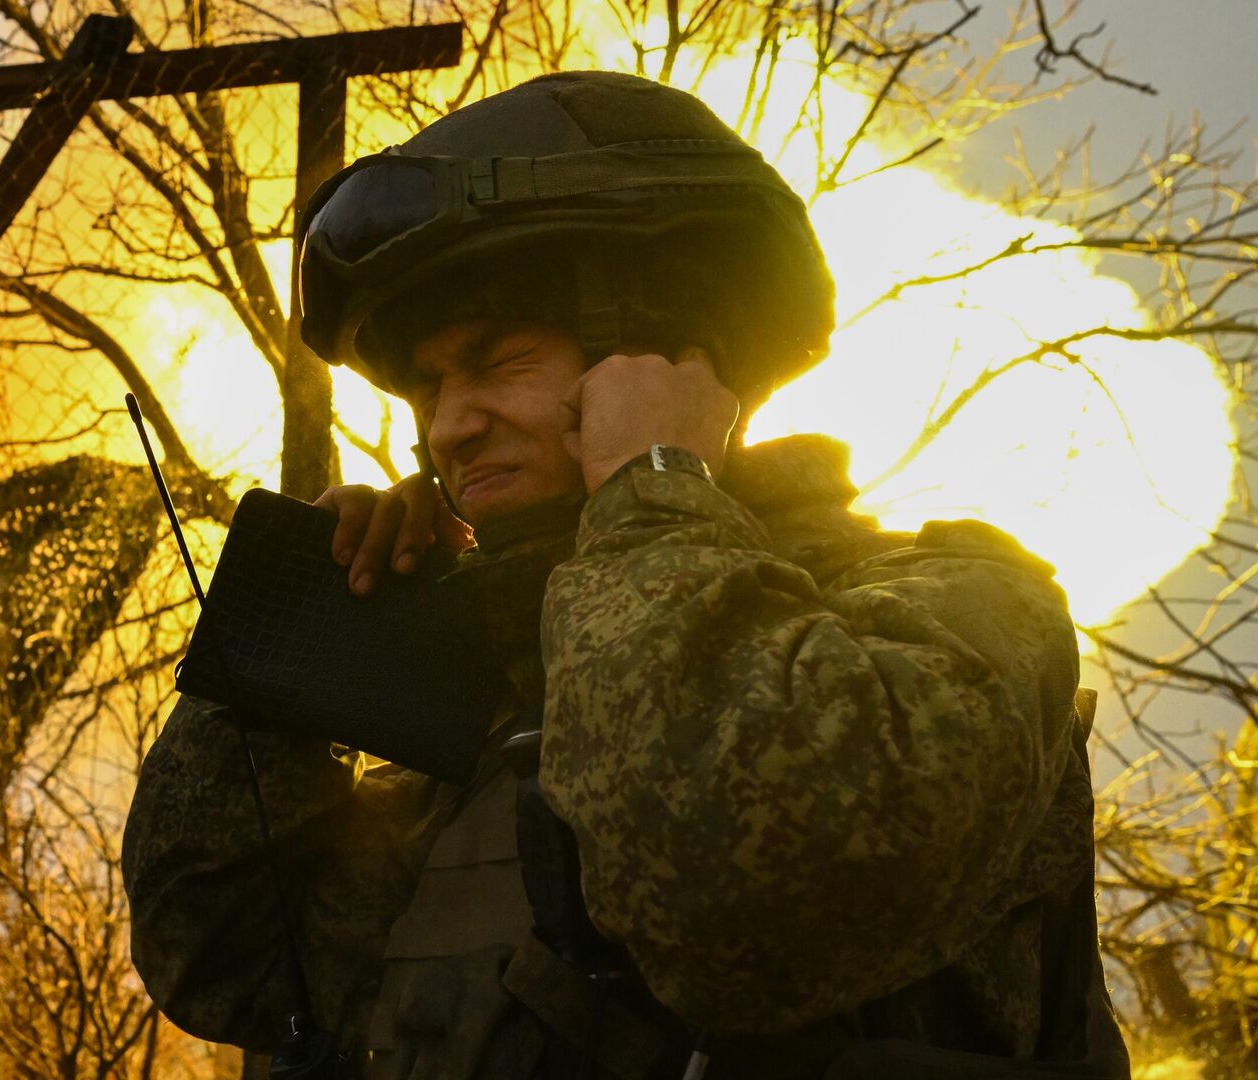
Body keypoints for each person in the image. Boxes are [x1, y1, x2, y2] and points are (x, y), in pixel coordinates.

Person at [123, 71, 1129, 1079]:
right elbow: (221, 965)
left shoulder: (956, 617)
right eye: (429, 388)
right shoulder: (490, 736)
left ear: (655, 353)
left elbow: (741, 898)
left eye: (497, 362)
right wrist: (294, 659)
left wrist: (648, 484)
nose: (449, 426)